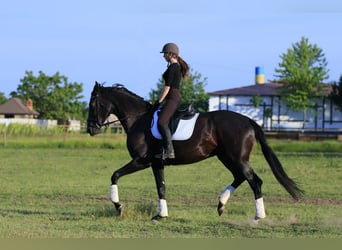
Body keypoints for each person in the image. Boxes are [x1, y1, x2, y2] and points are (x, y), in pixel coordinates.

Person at [154, 42, 189, 159]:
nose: (163, 56)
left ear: (170, 54)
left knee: (161, 122)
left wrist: (158, 101)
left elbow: (167, 88)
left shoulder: (173, 67)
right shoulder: (174, 66)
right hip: (173, 97)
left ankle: (169, 150)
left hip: (172, 98)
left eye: (164, 54)